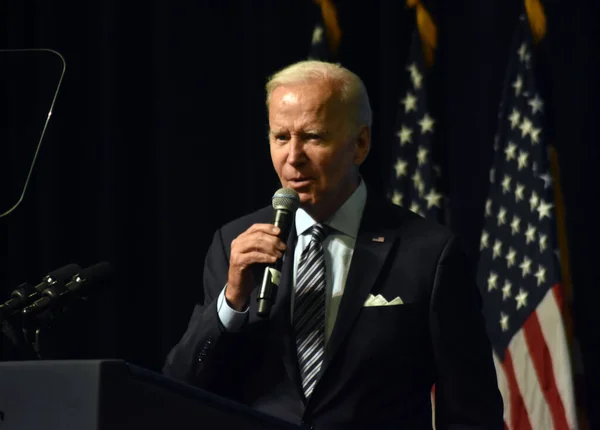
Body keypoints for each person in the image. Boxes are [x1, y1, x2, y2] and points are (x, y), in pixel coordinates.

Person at [163, 60, 504, 429]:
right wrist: (231, 302)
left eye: (313, 137)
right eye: (281, 137)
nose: (293, 156)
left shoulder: (429, 253)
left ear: (359, 144)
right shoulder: (234, 242)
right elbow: (180, 387)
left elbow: (472, 412)